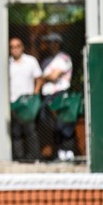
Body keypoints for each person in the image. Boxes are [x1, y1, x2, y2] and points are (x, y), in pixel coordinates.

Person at [39, 32, 75, 162]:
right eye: (48, 42)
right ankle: (59, 153)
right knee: (52, 124)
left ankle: (68, 153)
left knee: (63, 123)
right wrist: (47, 77)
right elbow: (43, 78)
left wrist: (45, 77)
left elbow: (53, 77)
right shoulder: (47, 61)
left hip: (60, 95)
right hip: (48, 97)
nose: (50, 45)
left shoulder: (64, 58)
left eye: (53, 42)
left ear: (58, 44)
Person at [9, 37, 43, 162]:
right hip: (13, 103)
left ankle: (34, 158)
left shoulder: (31, 61)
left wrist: (35, 94)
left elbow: (39, 78)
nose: (15, 49)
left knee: (31, 131)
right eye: (12, 47)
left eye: (17, 46)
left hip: (28, 103)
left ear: (22, 47)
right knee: (16, 132)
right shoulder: (8, 64)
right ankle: (19, 158)